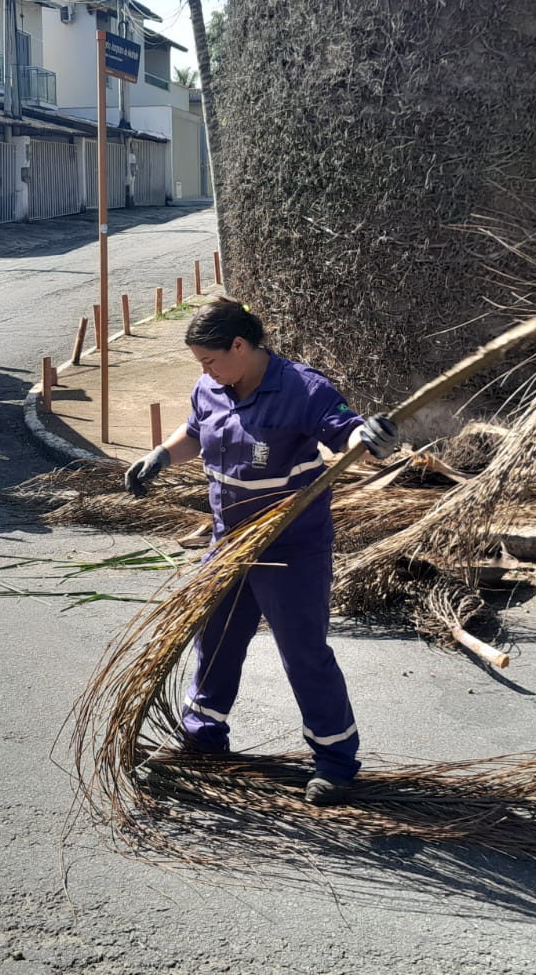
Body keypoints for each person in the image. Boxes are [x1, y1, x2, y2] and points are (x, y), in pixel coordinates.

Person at [123, 298, 398, 806]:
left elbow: (349, 434)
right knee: (216, 639)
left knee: (303, 652)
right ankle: (203, 737)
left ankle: (335, 760)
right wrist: (160, 455)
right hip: (228, 541)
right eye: (199, 364)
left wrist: (371, 437)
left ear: (240, 346)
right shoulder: (212, 385)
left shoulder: (301, 389)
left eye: (210, 359)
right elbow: (195, 428)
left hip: (289, 547)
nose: (204, 371)